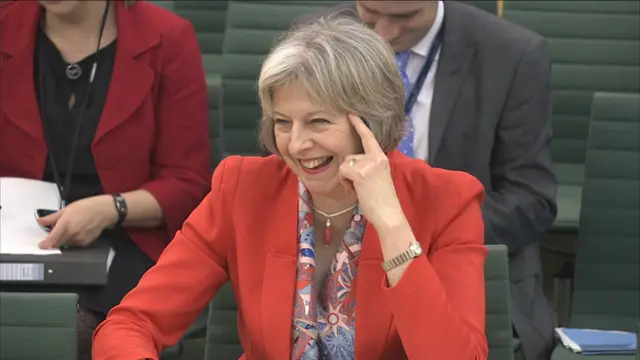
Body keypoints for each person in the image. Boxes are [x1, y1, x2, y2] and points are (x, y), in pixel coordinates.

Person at [92, 17, 488, 360]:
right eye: (283, 122)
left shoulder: (446, 200)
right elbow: (131, 324)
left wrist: (390, 222)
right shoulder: (243, 189)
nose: (296, 145)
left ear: (371, 122)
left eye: (318, 122)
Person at [301, 1, 559, 358]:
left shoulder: (512, 55)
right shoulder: (317, 39)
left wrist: (412, 235)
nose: (384, 33)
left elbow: (532, 200)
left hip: (459, 269)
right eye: (370, 13)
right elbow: (295, 162)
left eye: (405, 17)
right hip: (337, 260)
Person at [0, 0, 210, 358]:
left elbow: (187, 182)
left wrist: (113, 208)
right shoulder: (7, 23)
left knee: (72, 333)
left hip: (124, 235)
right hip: (14, 233)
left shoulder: (167, 38)